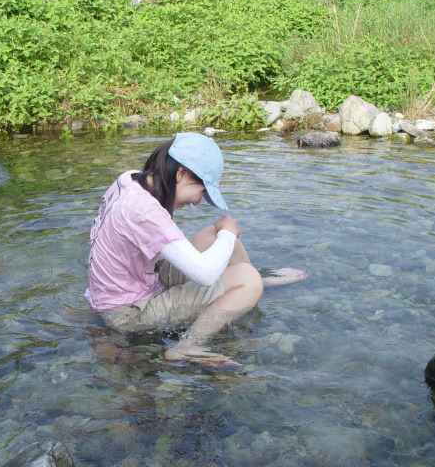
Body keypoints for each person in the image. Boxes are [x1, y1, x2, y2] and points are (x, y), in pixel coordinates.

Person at [84, 132, 307, 366]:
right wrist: (229, 232)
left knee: (211, 236)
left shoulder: (130, 179)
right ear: (181, 173)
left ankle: (243, 290)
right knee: (244, 272)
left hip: (131, 284)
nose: (198, 202)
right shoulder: (145, 212)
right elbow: (205, 274)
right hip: (128, 313)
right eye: (201, 191)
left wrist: (225, 236)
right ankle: (189, 346)